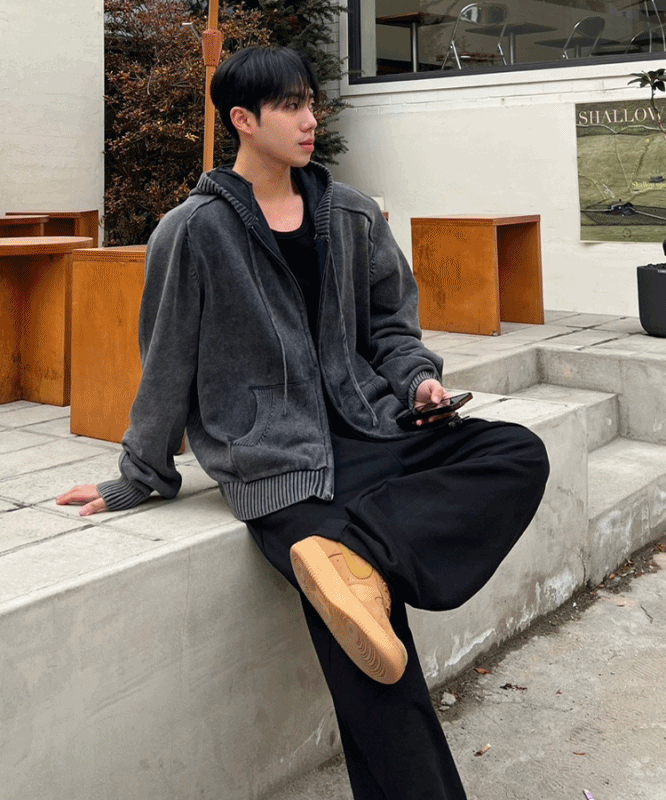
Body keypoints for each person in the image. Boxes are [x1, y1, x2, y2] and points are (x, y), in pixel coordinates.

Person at [57, 46, 550, 799]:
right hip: (278, 465)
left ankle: (355, 560)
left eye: (310, 102)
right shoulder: (191, 232)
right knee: (376, 657)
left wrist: (417, 382)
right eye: (291, 106)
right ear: (243, 120)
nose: (310, 119)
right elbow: (166, 363)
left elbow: (391, 329)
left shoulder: (351, 214)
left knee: (516, 451)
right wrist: (139, 475)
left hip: (375, 433)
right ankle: (351, 569)